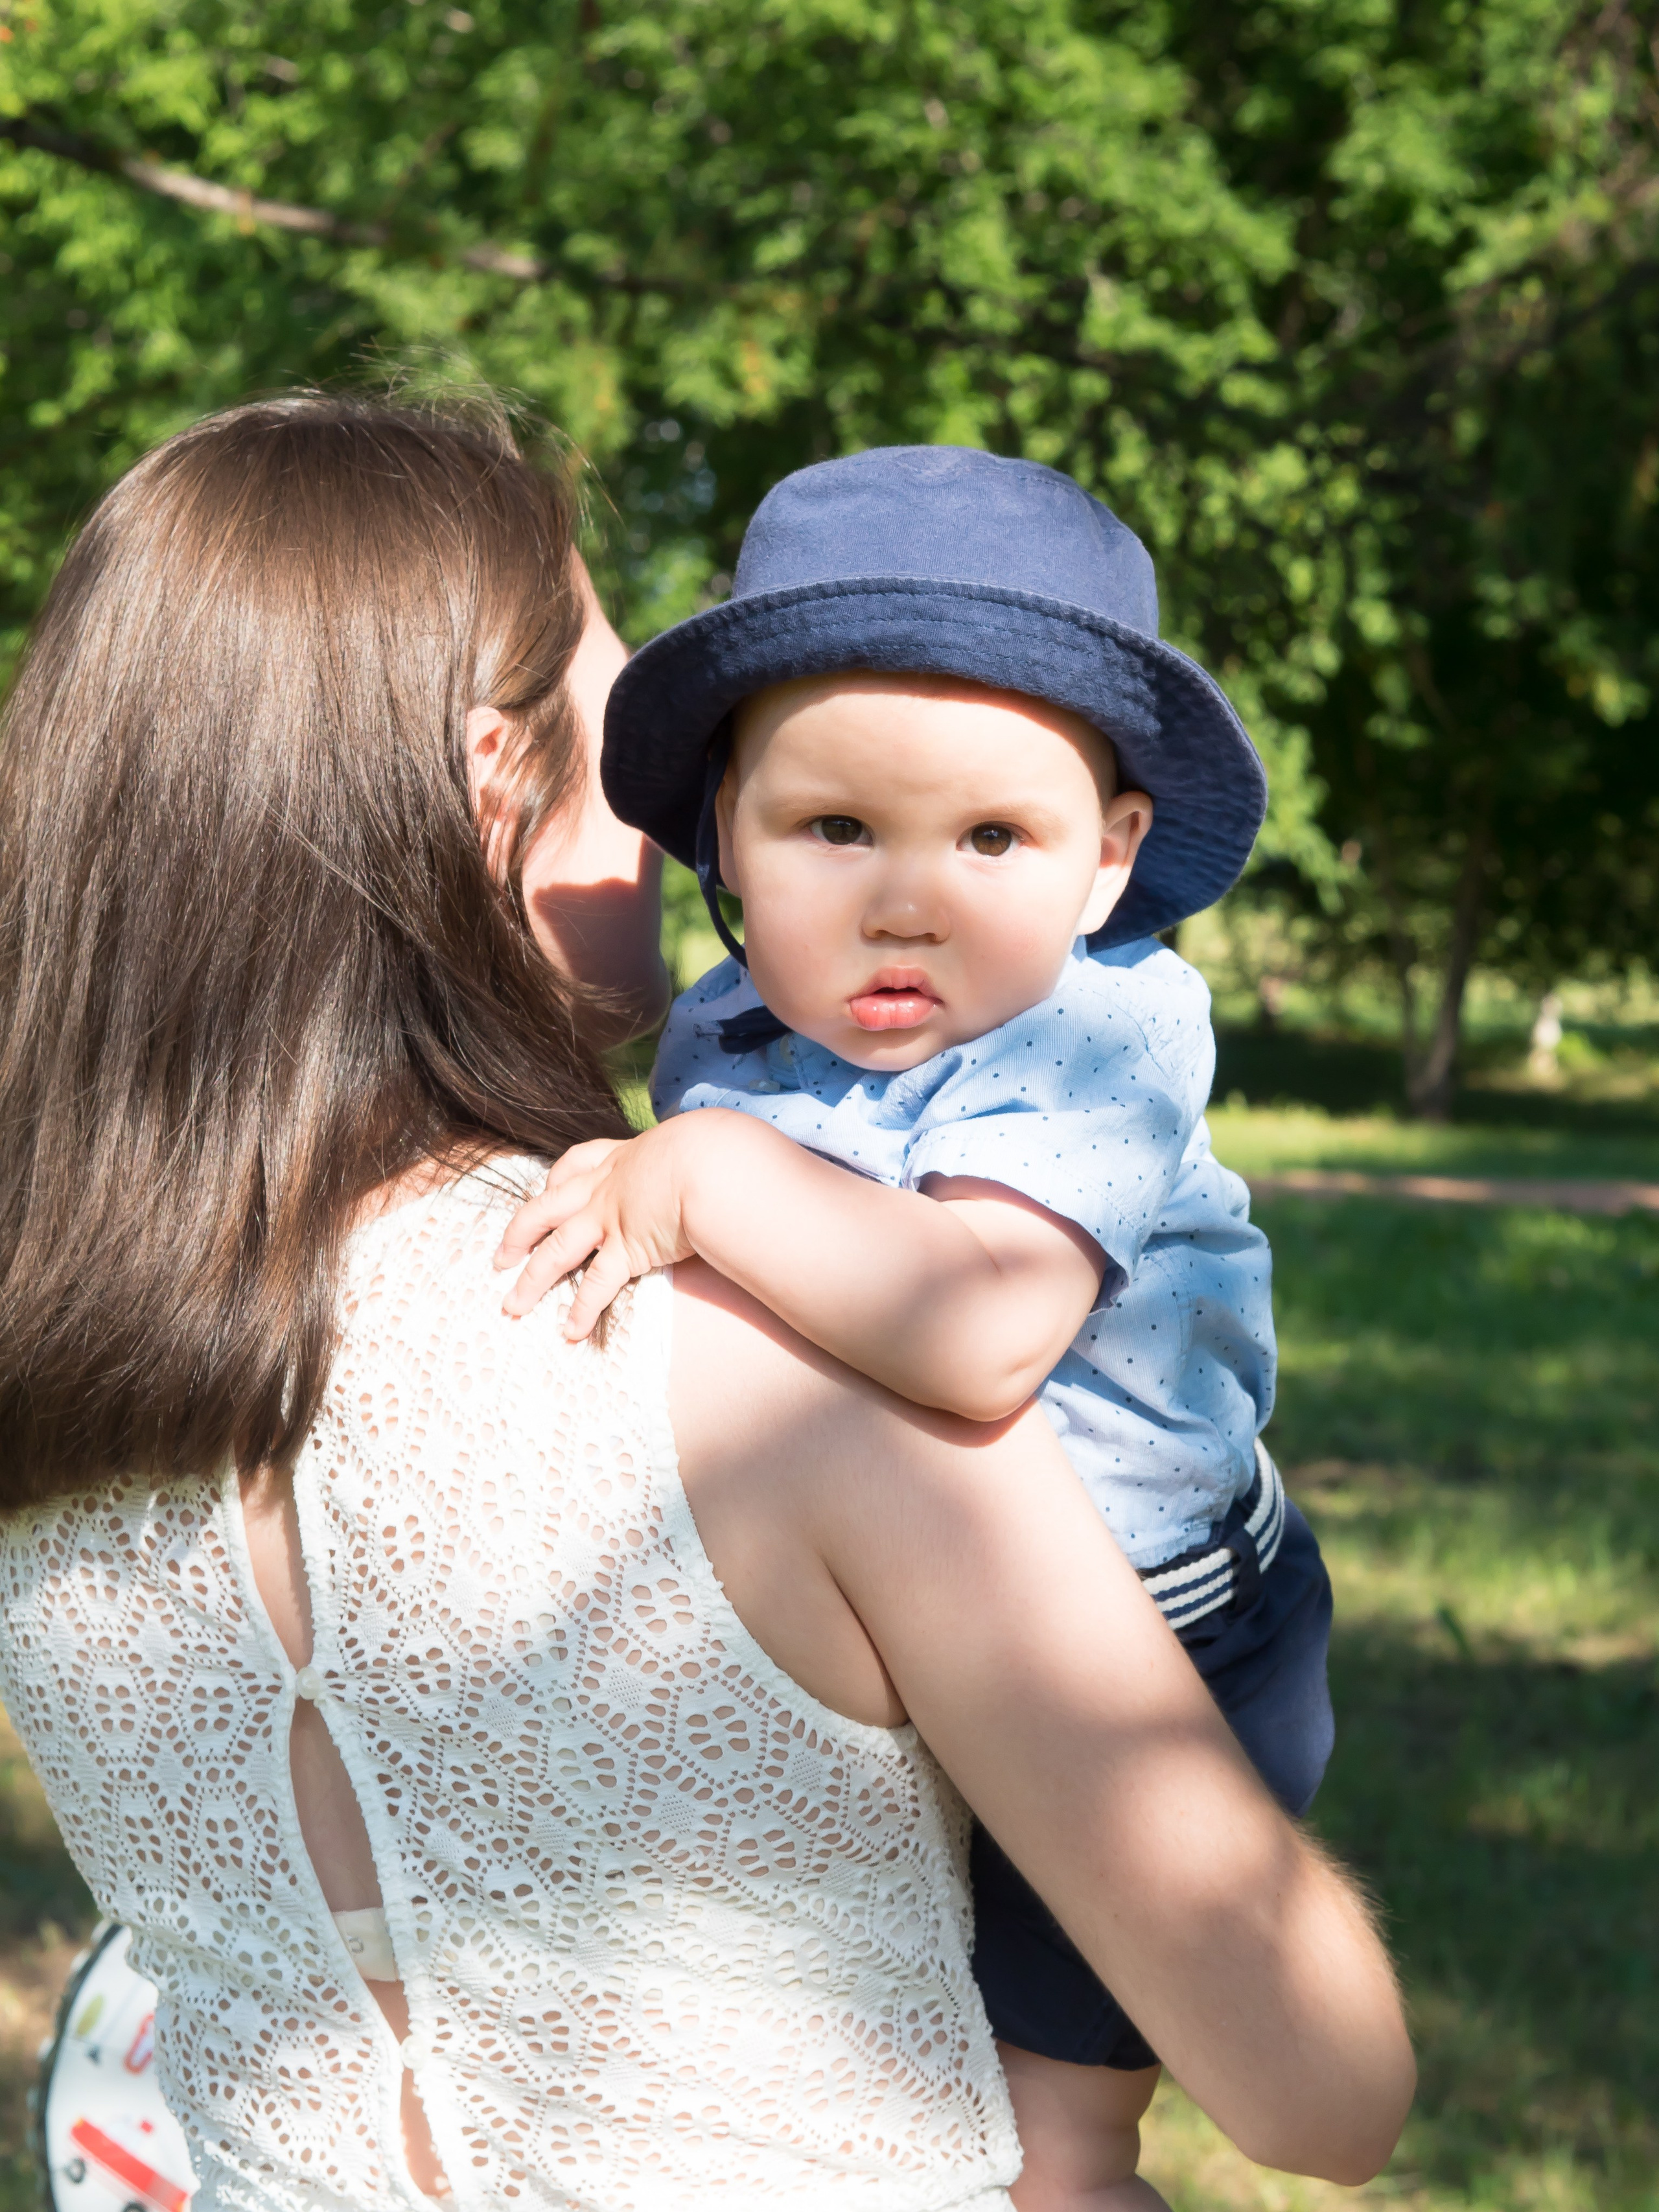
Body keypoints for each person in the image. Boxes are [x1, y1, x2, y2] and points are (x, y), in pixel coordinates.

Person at [0, 397, 1413, 2212]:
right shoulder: (778, 1371)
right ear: (490, 777)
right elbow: (1323, 2092)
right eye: (630, 738)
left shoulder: (62, 1391)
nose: (667, 832)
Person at [496, 448, 1330, 2207]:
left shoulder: (1102, 1035)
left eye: (995, 838)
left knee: (1052, 2137)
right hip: (906, 1623)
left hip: (1156, 1647)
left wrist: (706, 1180)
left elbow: (979, 1335)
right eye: (836, 829)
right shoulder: (726, 1030)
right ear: (723, 833)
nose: (906, 898)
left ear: (1110, 862)